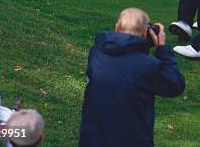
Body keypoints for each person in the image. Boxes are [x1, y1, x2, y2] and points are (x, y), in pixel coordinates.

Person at [79, 8, 185, 147]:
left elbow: (126, 58)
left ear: (117, 27)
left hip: (93, 139)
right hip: (131, 140)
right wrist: (162, 48)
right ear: (144, 32)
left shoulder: (97, 52)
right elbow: (175, 84)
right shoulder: (148, 66)